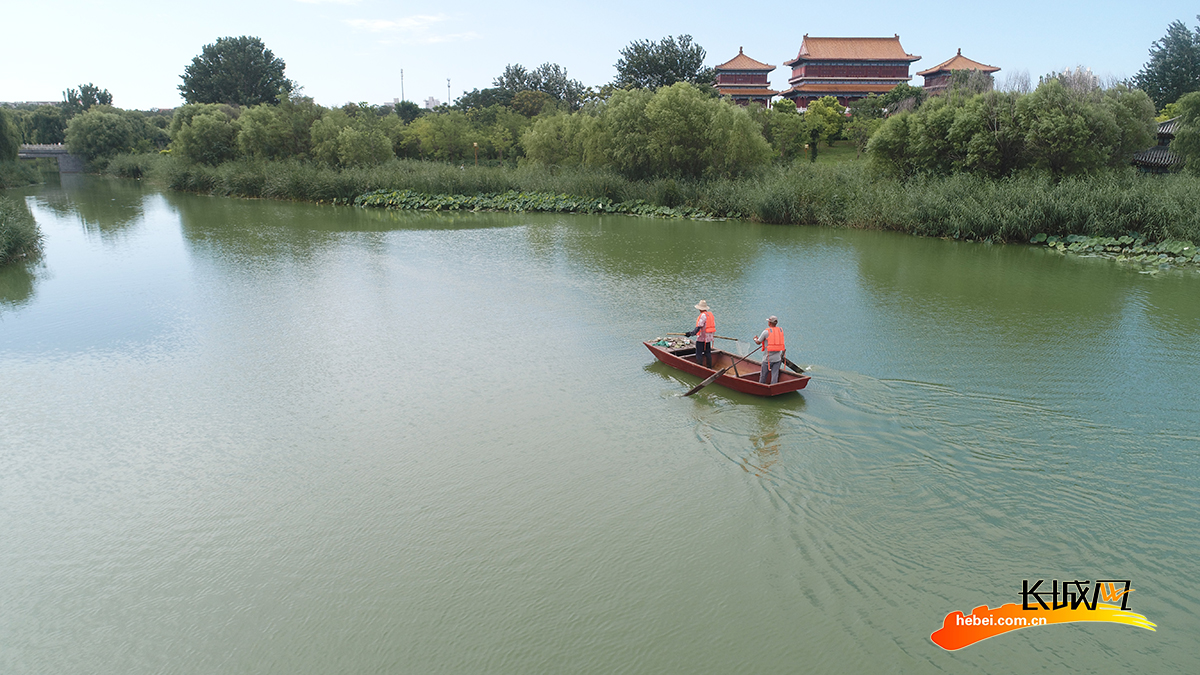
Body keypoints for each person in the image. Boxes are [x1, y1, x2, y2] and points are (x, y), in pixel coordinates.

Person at [753, 316, 786, 384]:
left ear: (770, 323)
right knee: (775, 376)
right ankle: (774, 387)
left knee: (763, 376)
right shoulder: (780, 331)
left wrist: (755, 339)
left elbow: (758, 342)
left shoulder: (766, 332)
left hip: (767, 359)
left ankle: (761, 387)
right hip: (778, 359)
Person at [684, 300, 715, 368]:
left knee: (698, 353)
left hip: (701, 338)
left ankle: (700, 367)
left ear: (700, 309)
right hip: (708, 338)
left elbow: (699, 327)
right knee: (708, 353)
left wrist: (690, 333)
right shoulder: (709, 314)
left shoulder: (703, 316)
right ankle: (709, 367)